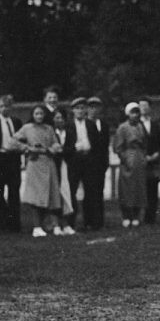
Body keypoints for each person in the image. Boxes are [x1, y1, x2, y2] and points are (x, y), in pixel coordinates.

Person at [12, 104, 63, 237]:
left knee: (52, 194)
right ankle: (37, 226)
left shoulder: (49, 128)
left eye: (41, 114)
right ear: (32, 115)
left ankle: (54, 225)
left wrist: (52, 149)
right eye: (36, 114)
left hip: (48, 162)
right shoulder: (27, 128)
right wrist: (27, 148)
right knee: (35, 196)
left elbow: (56, 143)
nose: (39, 116)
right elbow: (13, 141)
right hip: (34, 163)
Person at [0, 95, 23, 233]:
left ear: (11, 107)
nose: (4, 109)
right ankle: (0, 224)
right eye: (1, 106)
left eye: (7, 106)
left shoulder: (16, 121)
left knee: (14, 192)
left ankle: (14, 224)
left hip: (13, 159)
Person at [64, 97, 99, 229]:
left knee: (90, 191)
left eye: (82, 108)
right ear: (73, 110)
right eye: (77, 108)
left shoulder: (90, 124)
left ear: (86, 110)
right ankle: (71, 222)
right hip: (74, 160)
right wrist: (74, 149)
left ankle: (89, 222)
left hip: (88, 160)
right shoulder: (68, 125)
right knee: (72, 190)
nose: (80, 111)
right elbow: (65, 145)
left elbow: (96, 144)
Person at [114, 102, 147, 227]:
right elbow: (118, 147)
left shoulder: (141, 126)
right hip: (128, 156)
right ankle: (126, 216)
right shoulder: (122, 127)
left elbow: (144, 143)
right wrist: (125, 159)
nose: (135, 115)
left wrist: (143, 156)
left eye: (137, 112)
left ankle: (136, 215)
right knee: (126, 188)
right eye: (133, 112)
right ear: (128, 114)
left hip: (139, 156)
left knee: (139, 187)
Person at [86, 96, 110, 230]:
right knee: (89, 192)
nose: (94, 110)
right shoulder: (85, 124)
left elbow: (105, 145)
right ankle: (89, 221)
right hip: (89, 163)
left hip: (101, 163)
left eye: (97, 107)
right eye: (91, 107)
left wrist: (105, 161)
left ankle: (99, 221)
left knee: (99, 192)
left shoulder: (104, 125)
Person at [51, 108, 76, 235]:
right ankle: (55, 224)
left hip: (67, 166)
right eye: (56, 118)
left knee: (67, 194)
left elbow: (71, 148)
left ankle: (66, 224)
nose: (59, 120)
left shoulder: (70, 132)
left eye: (61, 118)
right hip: (54, 166)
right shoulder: (50, 132)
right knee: (55, 195)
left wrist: (62, 150)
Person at [139, 97, 160, 224]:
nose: (143, 108)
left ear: (150, 108)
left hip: (154, 161)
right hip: (141, 160)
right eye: (141, 106)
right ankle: (139, 217)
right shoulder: (136, 124)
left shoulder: (155, 124)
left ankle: (151, 217)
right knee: (142, 188)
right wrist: (144, 156)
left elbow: (158, 143)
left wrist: (156, 155)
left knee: (153, 189)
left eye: (145, 105)